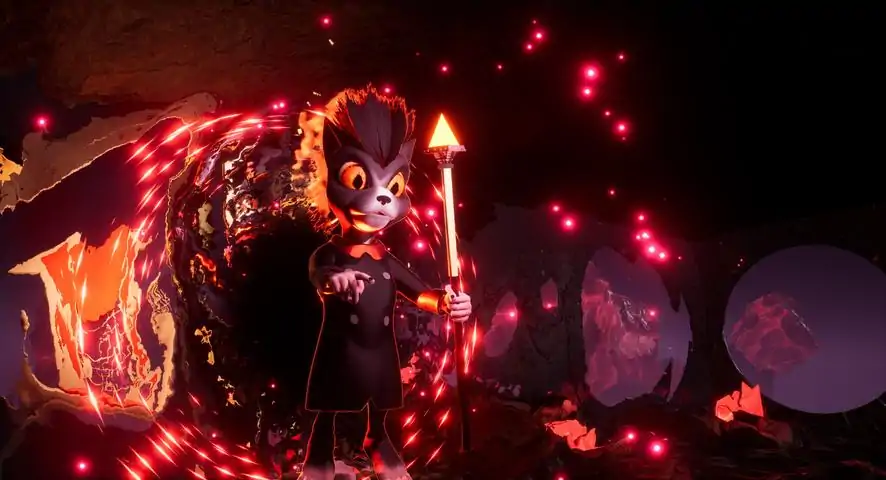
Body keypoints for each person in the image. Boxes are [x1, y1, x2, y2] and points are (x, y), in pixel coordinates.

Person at [299, 86, 472, 480]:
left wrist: (446, 303)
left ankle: (378, 442)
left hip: (380, 349)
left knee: (378, 407)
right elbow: (321, 276)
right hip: (342, 349)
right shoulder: (329, 253)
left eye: (392, 187)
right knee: (331, 407)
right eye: (359, 179)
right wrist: (336, 279)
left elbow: (420, 293)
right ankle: (318, 456)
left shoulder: (385, 258)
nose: (381, 198)